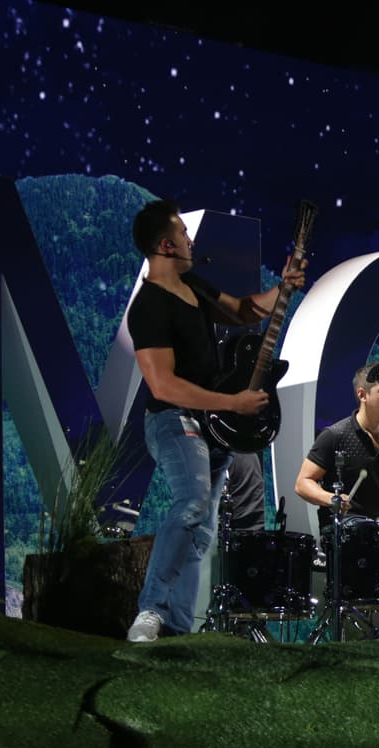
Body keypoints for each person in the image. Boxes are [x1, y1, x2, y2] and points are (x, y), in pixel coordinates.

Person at [126, 199, 306, 642]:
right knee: (191, 503)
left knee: (203, 528)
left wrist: (282, 288)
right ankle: (150, 609)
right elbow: (164, 385)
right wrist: (230, 403)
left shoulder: (193, 287)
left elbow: (243, 310)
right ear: (166, 246)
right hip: (174, 420)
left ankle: (177, 629)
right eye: (184, 236)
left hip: (213, 423)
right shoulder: (148, 307)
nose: (191, 242)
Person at [294, 362, 379, 532]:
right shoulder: (335, 436)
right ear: (362, 395)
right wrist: (331, 499)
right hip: (346, 535)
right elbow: (302, 483)